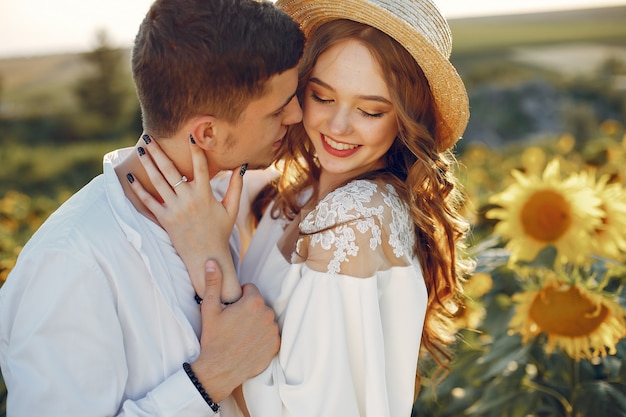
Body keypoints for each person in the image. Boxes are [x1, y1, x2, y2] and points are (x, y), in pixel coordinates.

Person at [131, 0, 474, 415]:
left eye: (370, 110)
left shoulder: (354, 219)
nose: (337, 126)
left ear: (405, 118)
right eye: (322, 97)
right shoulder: (300, 192)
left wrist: (209, 254)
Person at [0, 0, 305, 415]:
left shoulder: (226, 192)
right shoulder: (70, 263)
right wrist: (207, 379)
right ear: (208, 133)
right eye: (279, 108)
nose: (298, 114)